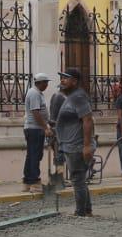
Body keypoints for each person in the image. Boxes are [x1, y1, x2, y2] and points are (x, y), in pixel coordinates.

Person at [53, 68, 95, 216]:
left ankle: (80, 212)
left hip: (77, 146)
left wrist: (87, 146)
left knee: (77, 180)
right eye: (61, 78)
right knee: (80, 180)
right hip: (70, 145)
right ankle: (87, 210)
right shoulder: (71, 97)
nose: (62, 81)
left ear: (75, 81)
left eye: (66, 78)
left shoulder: (78, 97)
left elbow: (87, 120)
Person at [22, 74, 53, 192]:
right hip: (35, 129)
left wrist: (47, 122)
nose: (47, 85)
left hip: (35, 128)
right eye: (45, 83)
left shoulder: (36, 93)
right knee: (35, 155)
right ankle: (34, 182)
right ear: (40, 83)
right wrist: (46, 128)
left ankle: (27, 181)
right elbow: (36, 113)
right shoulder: (34, 94)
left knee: (32, 155)